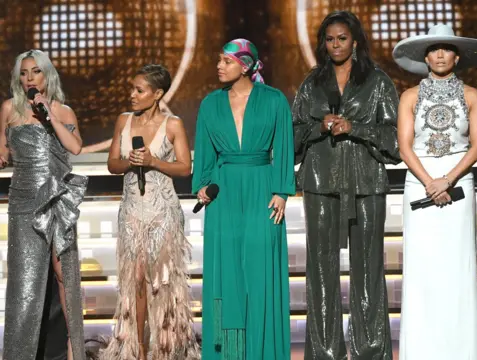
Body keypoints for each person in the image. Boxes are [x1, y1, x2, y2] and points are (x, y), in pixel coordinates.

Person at [292, 11, 400, 360]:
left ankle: (370, 350)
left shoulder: (379, 82)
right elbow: (291, 138)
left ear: (355, 41)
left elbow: (395, 141)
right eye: (330, 39)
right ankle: (324, 351)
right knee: (321, 269)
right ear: (323, 43)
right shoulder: (311, 84)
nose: (336, 44)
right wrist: (318, 127)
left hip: (367, 181)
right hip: (320, 182)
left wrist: (356, 128)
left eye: (342, 38)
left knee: (368, 267)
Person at [192, 38, 295, 359]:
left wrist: (282, 192)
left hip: (263, 190)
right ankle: (228, 352)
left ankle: (264, 352)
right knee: (227, 274)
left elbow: (285, 147)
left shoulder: (274, 100)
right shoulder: (210, 103)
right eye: (219, 60)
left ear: (246, 64)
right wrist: (202, 185)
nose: (219, 66)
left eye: (226, 60)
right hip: (224, 194)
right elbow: (205, 155)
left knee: (261, 271)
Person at [100, 64, 200, 360]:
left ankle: (166, 348)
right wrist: (131, 162)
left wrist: (154, 161)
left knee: (163, 282)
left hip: (162, 212)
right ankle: (139, 350)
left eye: (139, 90)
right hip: (131, 211)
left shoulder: (173, 124)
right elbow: (112, 164)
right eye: (131, 88)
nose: (132, 95)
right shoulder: (124, 121)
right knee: (136, 281)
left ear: (157, 94)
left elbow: (185, 167)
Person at [394, 24, 477, 359]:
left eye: (446, 48)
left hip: (458, 183)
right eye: (434, 49)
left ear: (457, 56)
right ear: (425, 56)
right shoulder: (409, 97)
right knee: (423, 272)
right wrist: (431, 181)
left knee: (457, 270)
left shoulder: (473, 96)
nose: (440, 54)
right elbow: (404, 147)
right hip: (419, 183)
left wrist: (448, 179)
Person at [0, 49, 87, 360]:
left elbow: (76, 147)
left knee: (64, 274)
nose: (28, 79)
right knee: (24, 280)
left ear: (46, 75)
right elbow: (3, 153)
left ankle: (73, 348)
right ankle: (20, 352)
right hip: (23, 201)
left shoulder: (63, 111)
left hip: (56, 199)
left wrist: (49, 115)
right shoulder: (9, 109)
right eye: (23, 73)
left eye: (34, 72)